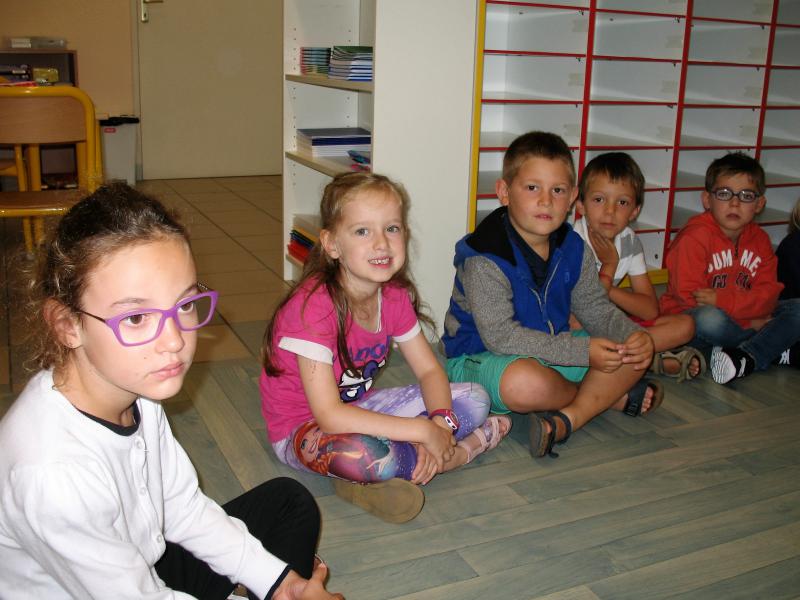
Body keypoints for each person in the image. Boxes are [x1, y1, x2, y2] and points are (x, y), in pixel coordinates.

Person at [0, 183, 343, 600]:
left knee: (290, 502)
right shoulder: (52, 473)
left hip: (140, 558)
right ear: (67, 325)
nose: (175, 340)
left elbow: (181, 507)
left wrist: (282, 584)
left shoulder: (136, 385)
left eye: (184, 306)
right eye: (137, 318)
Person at [260, 172, 508, 524]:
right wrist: (425, 432)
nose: (381, 243)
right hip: (303, 429)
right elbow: (329, 416)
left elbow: (429, 370)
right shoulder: (313, 308)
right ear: (331, 244)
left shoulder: (393, 295)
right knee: (360, 454)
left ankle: (405, 463)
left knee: (476, 396)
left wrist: (440, 422)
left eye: (392, 228)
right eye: (362, 231)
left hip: (358, 408)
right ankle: (458, 453)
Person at [442, 131, 661, 460]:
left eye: (557, 190)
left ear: (572, 197)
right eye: (533, 188)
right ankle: (600, 398)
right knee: (524, 383)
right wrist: (583, 352)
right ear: (504, 192)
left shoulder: (574, 247)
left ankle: (568, 419)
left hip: (552, 346)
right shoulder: (485, 257)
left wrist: (632, 335)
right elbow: (501, 337)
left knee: (631, 351)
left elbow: (595, 308)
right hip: (481, 359)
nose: (546, 201)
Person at [659, 152, 800, 383]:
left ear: (759, 204)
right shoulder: (694, 237)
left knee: (797, 309)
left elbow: (769, 295)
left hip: (741, 316)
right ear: (707, 200)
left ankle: (745, 356)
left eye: (746, 196)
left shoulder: (761, 240)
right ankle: (765, 346)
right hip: (693, 321)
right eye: (724, 194)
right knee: (709, 319)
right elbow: (689, 298)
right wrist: (751, 324)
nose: (735, 203)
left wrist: (724, 301)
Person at [574, 152, 703, 382]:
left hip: (607, 325)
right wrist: (609, 268)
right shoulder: (570, 241)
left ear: (635, 211)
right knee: (579, 331)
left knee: (684, 325)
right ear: (581, 205)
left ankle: (633, 358)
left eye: (622, 202)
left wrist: (610, 289)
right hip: (575, 327)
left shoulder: (629, 241)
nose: (610, 211)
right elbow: (578, 315)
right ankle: (648, 360)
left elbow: (649, 309)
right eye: (599, 199)